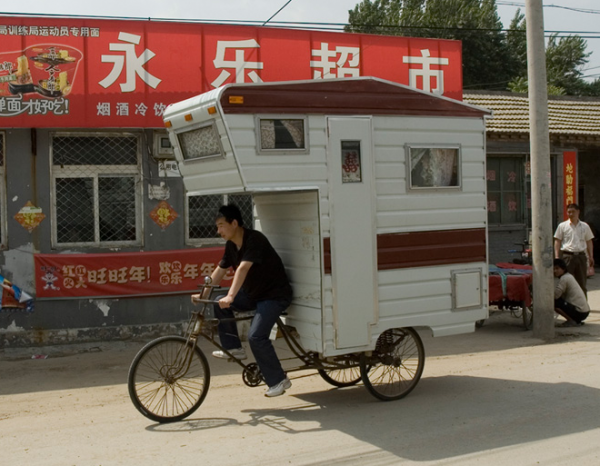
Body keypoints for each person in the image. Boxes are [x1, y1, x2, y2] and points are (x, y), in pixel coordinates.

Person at [192, 204, 293, 397]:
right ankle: (234, 348)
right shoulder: (231, 245)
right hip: (253, 294)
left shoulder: (255, 240)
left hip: (274, 296)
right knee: (219, 302)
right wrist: (204, 296)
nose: (218, 230)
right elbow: (220, 271)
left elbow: (242, 269)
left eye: (221, 225)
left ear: (234, 223)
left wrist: (231, 296)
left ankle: (279, 380)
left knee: (256, 336)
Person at [554, 203, 594, 296]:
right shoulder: (562, 226)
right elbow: (557, 241)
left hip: (581, 256)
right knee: (565, 282)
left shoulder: (585, 226)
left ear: (578, 212)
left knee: (582, 282)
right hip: (567, 256)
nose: (571, 214)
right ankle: (567, 306)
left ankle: (583, 306)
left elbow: (589, 242)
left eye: (573, 212)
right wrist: (556, 257)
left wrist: (591, 256)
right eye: (569, 212)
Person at [553, 259, 590, 327]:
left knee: (553, 302)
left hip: (580, 312)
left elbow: (555, 296)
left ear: (563, 269)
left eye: (557, 268)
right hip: (585, 312)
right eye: (553, 269)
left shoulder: (564, 278)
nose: (555, 271)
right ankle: (575, 320)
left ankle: (571, 320)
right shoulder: (569, 276)